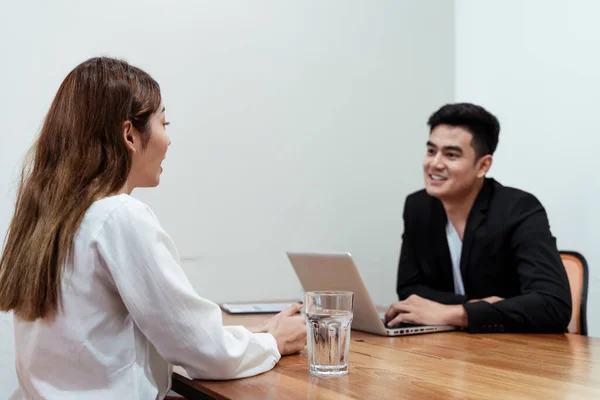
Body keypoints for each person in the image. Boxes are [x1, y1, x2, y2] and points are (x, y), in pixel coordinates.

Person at [0, 57, 306, 399]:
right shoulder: (118, 217)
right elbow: (202, 351)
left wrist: (248, 337)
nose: (169, 140)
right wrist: (273, 342)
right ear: (129, 134)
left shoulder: (47, 220)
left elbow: (159, 334)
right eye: (164, 122)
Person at [384, 103, 572, 333]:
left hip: (513, 351)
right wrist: (474, 307)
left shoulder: (519, 209)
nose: (434, 163)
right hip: (447, 349)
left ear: (483, 165)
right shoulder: (418, 206)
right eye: (431, 151)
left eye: (451, 155)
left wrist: (456, 314)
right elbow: (409, 290)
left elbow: (554, 305)